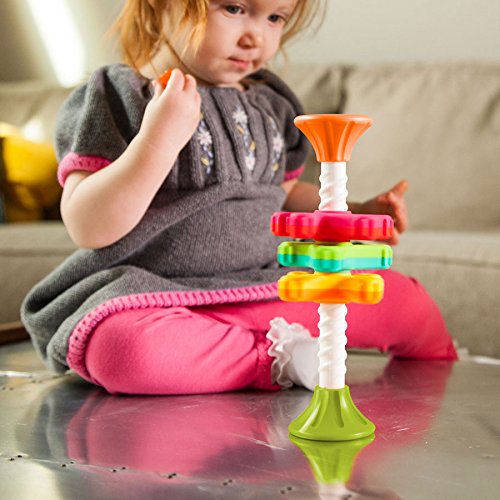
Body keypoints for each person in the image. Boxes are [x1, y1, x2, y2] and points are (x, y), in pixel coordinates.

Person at [21, 0, 457, 396]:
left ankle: (282, 350)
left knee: (406, 301)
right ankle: (274, 360)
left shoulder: (271, 103)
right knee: (125, 351)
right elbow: (87, 225)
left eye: (275, 18)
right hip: (157, 299)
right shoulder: (115, 96)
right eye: (233, 8)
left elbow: (281, 194)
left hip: (267, 288)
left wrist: (358, 214)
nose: (256, 37)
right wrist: (156, 141)